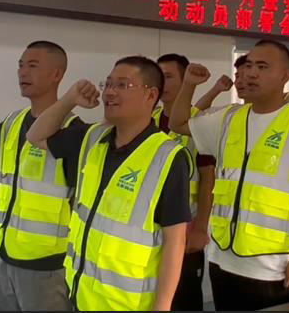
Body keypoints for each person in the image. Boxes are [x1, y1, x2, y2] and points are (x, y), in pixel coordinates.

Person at [170, 39, 289, 311]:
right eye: (250, 65)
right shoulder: (229, 118)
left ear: (286, 75)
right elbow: (178, 123)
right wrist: (189, 85)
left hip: (269, 264)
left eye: (263, 67)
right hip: (222, 256)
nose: (251, 73)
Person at [26, 56, 191, 311]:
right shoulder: (93, 137)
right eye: (108, 84)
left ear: (150, 95)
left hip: (127, 304)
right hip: (80, 296)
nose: (110, 92)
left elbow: (175, 241)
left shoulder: (167, 156)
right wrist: (69, 99)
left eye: (122, 85)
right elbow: (35, 136)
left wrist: (162, 306)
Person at [0, 41, 82, 311]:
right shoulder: (13, 123)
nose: (23, 72)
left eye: (33, 66)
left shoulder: (73, 131)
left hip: (47, 264)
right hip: (6, 256)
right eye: (20, 65)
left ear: (57, 74)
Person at [155, 53, 217, 311]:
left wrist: (201, 228)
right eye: (159, 77)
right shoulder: (149, 119)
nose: (163, 83)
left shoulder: (198, 122)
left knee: (184, 296)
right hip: (152, 226)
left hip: (186, 225)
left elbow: (208, 178)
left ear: (184, 81)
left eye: (169, 77)